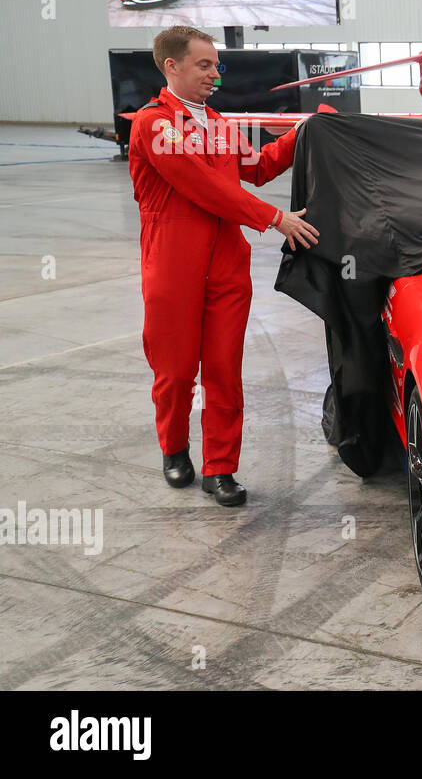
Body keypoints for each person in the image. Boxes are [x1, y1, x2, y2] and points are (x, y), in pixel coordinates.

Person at [128, 26, 319, 506]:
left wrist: (304, 133)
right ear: (172, 66)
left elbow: (256, 166)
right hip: (173, 266)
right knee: (173, 372)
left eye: (216, 65)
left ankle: (220, 468)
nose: (215, 73)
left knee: (223, 371)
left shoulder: (217, 124)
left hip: (228, 266)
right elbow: (204, 187)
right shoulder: (155, 125)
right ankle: (174, 449)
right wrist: (273, 217)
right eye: (204, 65)